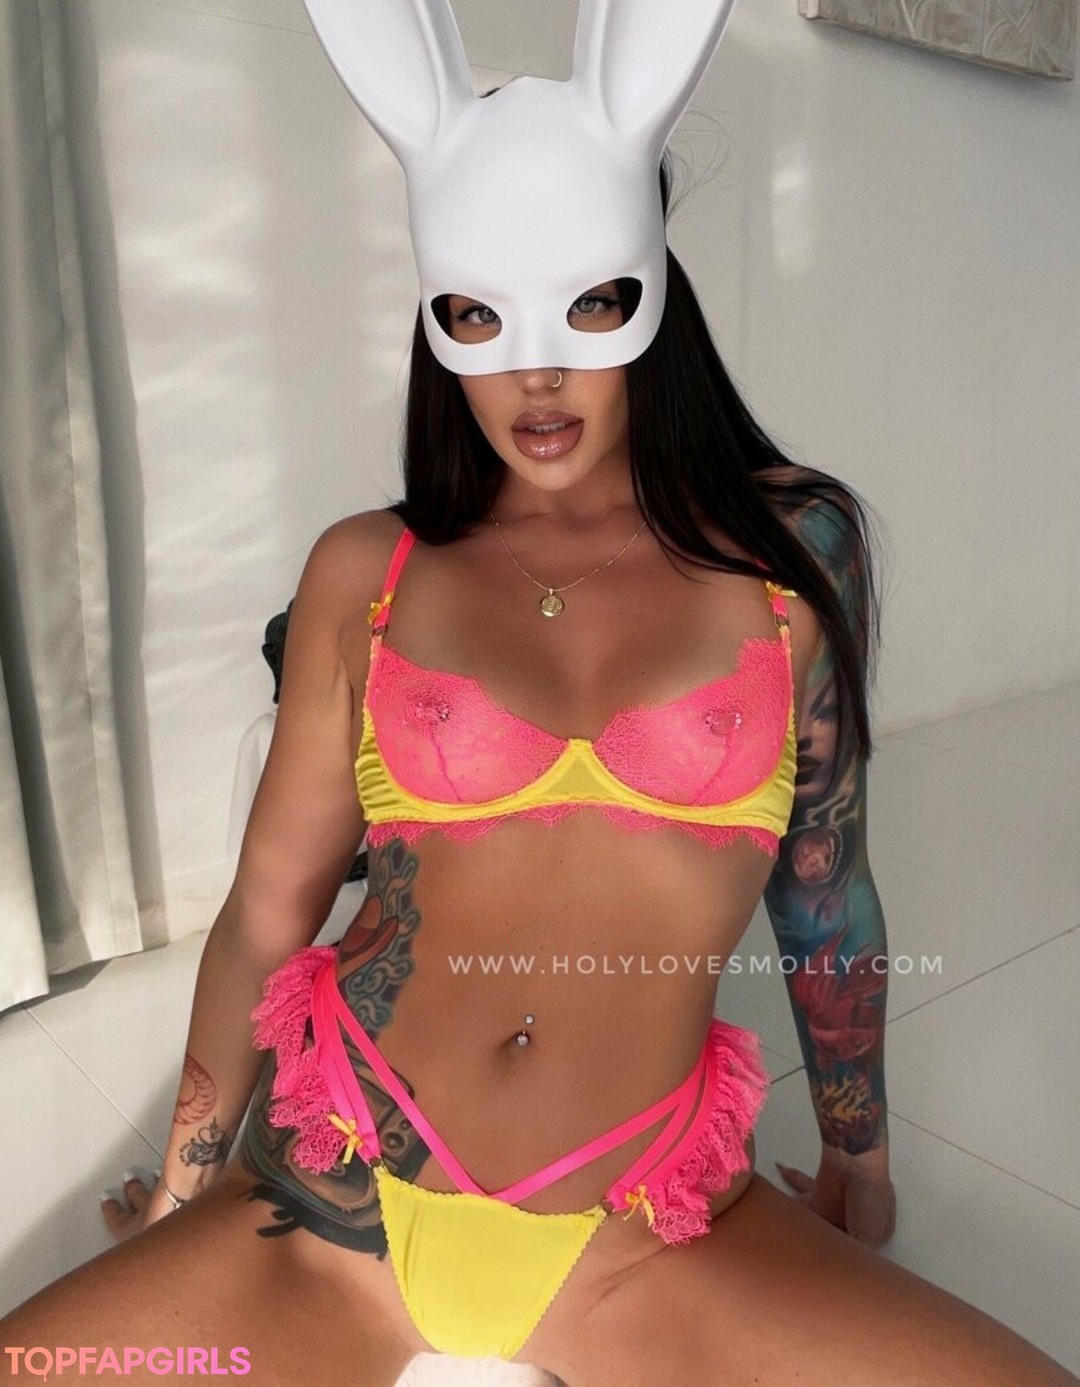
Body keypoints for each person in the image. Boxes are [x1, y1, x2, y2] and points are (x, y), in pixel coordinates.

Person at [2, 1, 1075, 1382]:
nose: (537, 371)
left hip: (650, 1234)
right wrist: (179, 1191)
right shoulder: (369, 569)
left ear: (653, 285)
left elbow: (823, 888)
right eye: (477, 316)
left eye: (590, 304)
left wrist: (859, 1164)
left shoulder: (796, 555)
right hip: (329, 1205)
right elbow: (270, 908)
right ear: (435, 315)